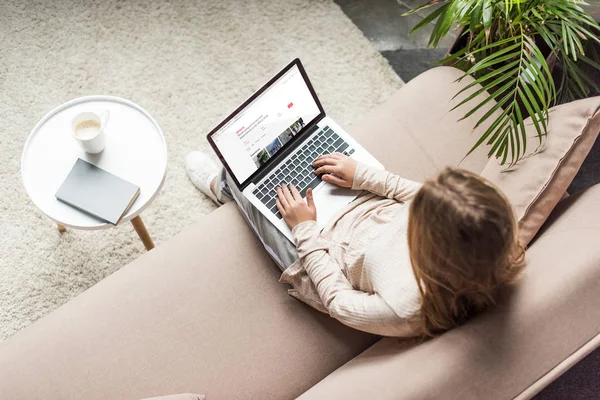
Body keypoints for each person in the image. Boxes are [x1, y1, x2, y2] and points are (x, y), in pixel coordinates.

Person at [185, 151, 525, 338]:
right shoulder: (486, 230)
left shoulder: (402, 309)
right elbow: (424, 196)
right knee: (310, 150)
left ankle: (224, 189)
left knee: (245, 177)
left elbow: (337, 300)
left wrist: (305, 231)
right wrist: (361, 174)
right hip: (364, 207)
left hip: (322, 255)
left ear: (427, 242)